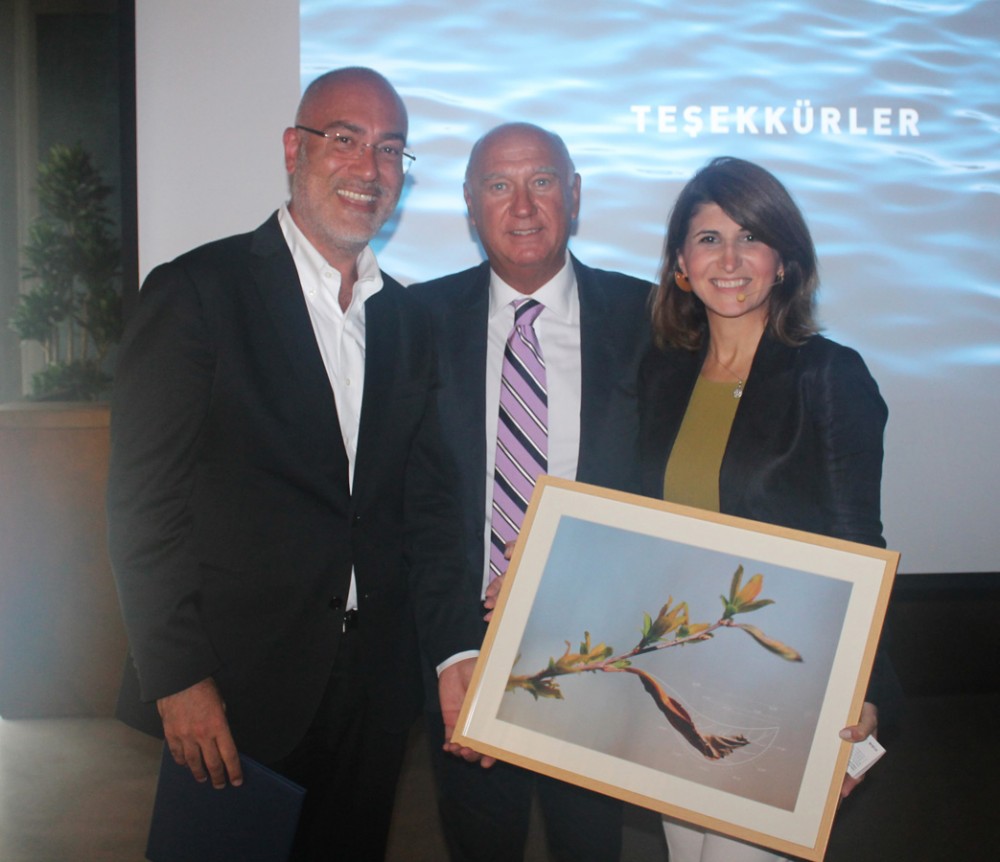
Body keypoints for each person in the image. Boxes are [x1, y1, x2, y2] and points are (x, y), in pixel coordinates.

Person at [106, 67, 482, 862]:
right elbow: (143, 503)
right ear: (293, 149)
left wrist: (454, 649)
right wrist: (177, 677)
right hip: (235, 687)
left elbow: (424, 506)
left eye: (390, 149)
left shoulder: (407, 319)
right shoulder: (197, 292)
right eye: (345, 138)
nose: (369, 166)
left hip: (374, 694)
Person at [639, 156, 896, 862]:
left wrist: (866, 688)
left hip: (783, 680)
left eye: (750, 237)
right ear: (681, 264)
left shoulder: (828, 374)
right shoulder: (662, 374)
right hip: (678, 673)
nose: (729, 259)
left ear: (783, 262)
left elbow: (858, 544)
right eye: (709, 238)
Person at [409, 122, 651, 862]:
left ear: (574, 195)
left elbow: (670, 494)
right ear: (469, 203)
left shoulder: (651, 322)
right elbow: (416, 504)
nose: (522, 206)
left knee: (592, 845)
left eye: (541, 182)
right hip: (469, 651)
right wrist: (452, 649)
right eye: (498, 185)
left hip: (603, 650)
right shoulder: (416, 321)